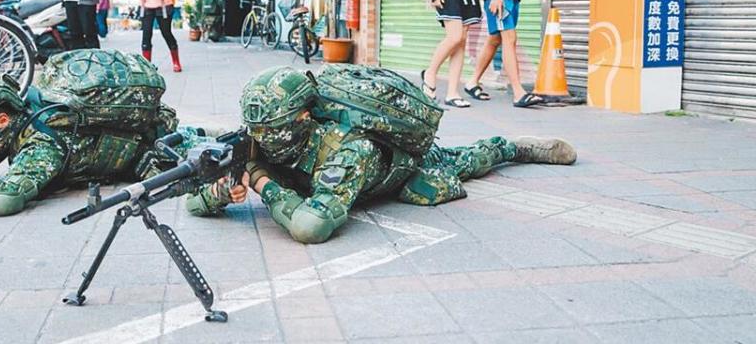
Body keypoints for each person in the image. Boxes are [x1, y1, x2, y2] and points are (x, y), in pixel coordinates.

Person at [186, 66, 576, 244]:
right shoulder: (260, 138)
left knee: (462, 161)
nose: (260, 139)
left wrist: (260, 180)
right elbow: (193, 202)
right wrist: (221, 191)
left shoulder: (345, 150)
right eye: (256, 130)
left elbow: (310, 227)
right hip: (324, 177)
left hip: (401, 167)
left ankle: (514, 147)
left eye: (271, 129)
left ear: (304, 118)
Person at [0, 57, 203, 217]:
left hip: (152, 145)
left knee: (204, 144)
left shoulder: (42, 143)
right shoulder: (20, 118)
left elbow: (5, 199)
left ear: (2, 120)